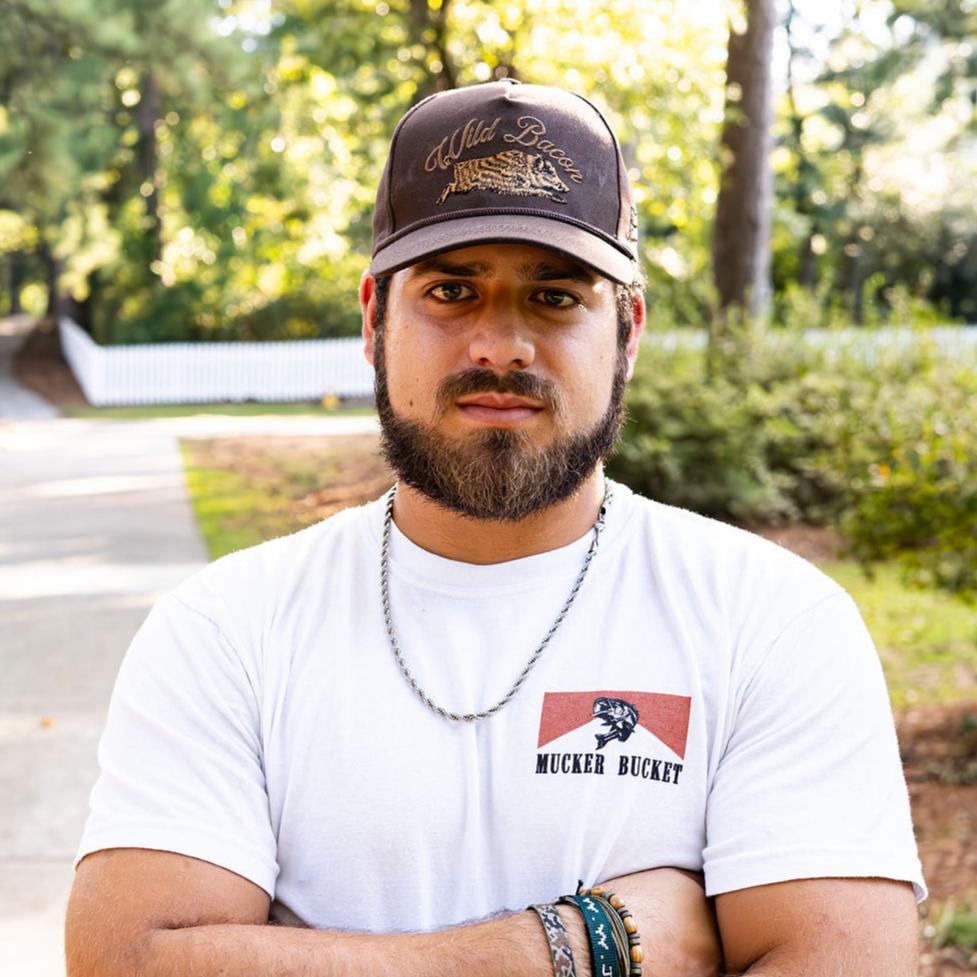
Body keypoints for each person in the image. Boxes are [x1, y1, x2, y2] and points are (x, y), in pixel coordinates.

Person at [66, 80, 925, 977]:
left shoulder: (771, 621)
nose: (498, 345)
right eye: (450, 289)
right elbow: (128, 960)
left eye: (555, 297)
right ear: (373, 319)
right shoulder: (227, 628)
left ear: (627, 329)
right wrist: (577, 946)